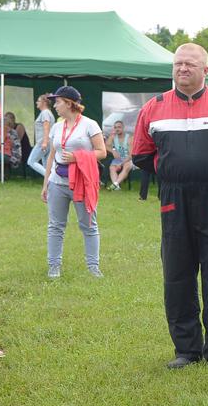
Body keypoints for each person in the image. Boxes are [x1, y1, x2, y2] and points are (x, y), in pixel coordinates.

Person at [132, 43, 208, 369]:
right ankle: (186, 349)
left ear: (206, 70)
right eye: (178, 64)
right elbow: (141, 155)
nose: (182, 69)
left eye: (190, 64)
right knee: (177, 274)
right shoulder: (153, 108)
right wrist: (173, 173)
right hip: (173, 199)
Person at [41, 86, 107, 278]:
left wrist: (78, 157)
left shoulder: (89, 125)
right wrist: (46, 184)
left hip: (81, 183)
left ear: (69, 103)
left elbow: (102, 152)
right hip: (57, 183)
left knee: (89, 226)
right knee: (55, 226)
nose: (55, 105)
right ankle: (54, 266)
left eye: (58, 102)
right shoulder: (57, 126)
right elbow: (52, 157)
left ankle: (93, 267)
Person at [27, 94, 55, 177]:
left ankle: (49, 178)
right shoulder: (48, 113)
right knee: (47, 165)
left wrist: (44, 142)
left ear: (44, 102)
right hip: (49, 142)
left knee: (31, 161)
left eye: (38, 101)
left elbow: (46, 127)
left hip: (43, 142)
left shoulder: (45, 113)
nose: (36, 102)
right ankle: (51, 183)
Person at [105, 120, 134, 190]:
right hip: (118, 159)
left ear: (123, 128)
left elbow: (131, 155)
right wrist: (113, 151)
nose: (117, 129)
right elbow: (106, 146)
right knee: (112, 168)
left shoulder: (129, 138)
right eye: (115, 127)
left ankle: (115, 184)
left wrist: (121, 163)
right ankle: (117, 187)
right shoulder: (113, 137)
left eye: (119, 127)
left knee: (126, 166)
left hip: (128, 159)